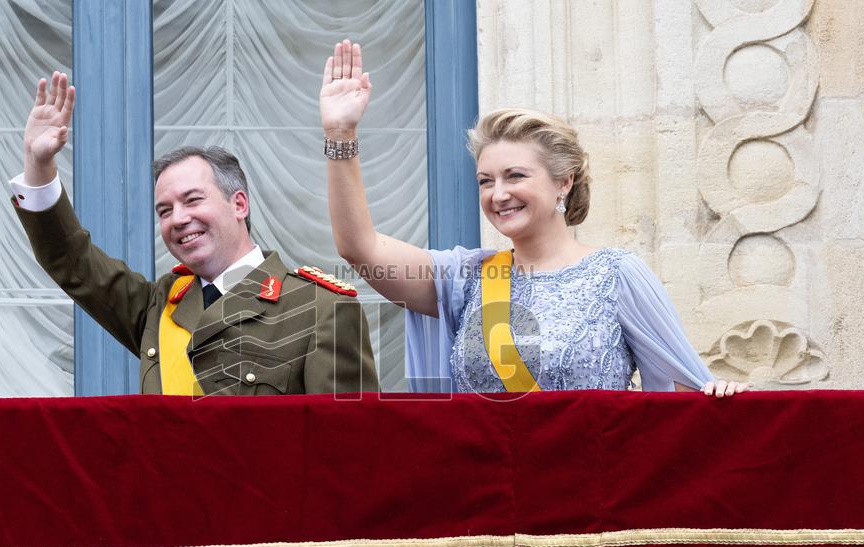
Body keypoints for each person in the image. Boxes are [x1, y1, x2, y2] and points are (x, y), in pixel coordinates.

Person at [320, 41, 746, 397]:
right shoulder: (466, 278)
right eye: (486, 181)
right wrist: (341, 135)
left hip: (588, 489)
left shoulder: (616, 274)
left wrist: (722, 398)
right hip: (487, 491)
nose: (498, 194)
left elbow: (679, 394)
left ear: (563, 181)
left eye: (515, 176)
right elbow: (360, 247)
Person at [12, 71, 378, 396]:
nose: (178, 219)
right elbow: (71, 260)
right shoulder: (159, 305)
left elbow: (346, 450)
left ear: (239, 205)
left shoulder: (322, 309)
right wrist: (38, 163)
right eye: (164, 211)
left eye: (192, 200)